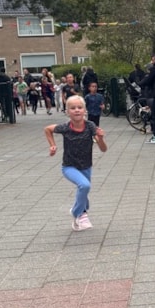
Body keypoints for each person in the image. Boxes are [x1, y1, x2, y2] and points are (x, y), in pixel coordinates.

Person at [46, 94, 108, 231]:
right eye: (73, 108)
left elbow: (103, 149)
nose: (77, 110)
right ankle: (77, 213)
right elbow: (48, 129)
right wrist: (52, 145)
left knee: (84, 190)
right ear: (67, 112)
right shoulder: (65, 127)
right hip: (69, 167)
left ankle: (81, 214)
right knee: (84, 186)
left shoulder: (90, 126)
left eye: (80, 107)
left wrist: (101, 138)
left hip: (86, 166)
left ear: (85, 110)